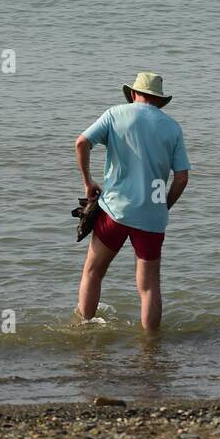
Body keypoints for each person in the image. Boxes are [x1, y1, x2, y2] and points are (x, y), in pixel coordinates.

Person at [74, 71, 190, 331]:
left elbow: (81, 142)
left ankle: (85, 331)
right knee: (149, 287)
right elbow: (182, 178)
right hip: (152, 218)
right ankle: (151, 348)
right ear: (159, 101)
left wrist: (88, 182)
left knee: (93, 272)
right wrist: (163, 205)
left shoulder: (116, 114)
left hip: (114, 211)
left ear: (134, 94)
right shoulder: (172, 127)